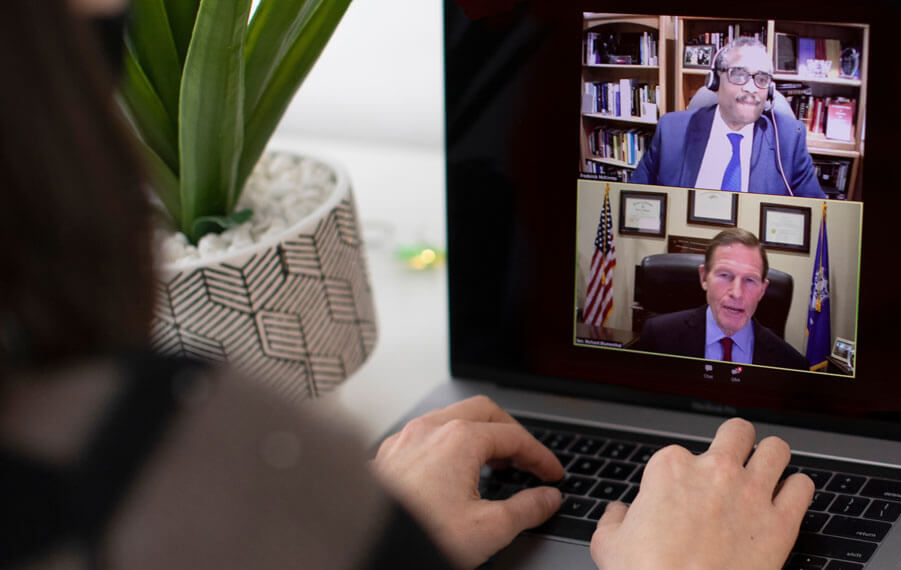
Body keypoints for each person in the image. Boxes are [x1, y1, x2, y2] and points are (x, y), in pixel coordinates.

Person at [0, 1, 815, 568]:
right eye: (739, 79)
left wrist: (383, 535)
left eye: (764, 84)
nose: (753, 93)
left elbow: (808, 197)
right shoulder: (156, 463)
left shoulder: (788, 140)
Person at [630, 37, 825, 199]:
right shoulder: (672, 130)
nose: (751, 88)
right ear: (714, 81)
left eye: (762, 79)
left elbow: (815, 215)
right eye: (738, 74)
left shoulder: (789, 139)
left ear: (770, 90)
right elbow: (635, 198)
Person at [631, 229, 808, 370]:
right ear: (704, 277)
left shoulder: (790, 364)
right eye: (724, 275)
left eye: (749, 280)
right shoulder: (658, 338)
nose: (737, 293)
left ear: (763, 290)